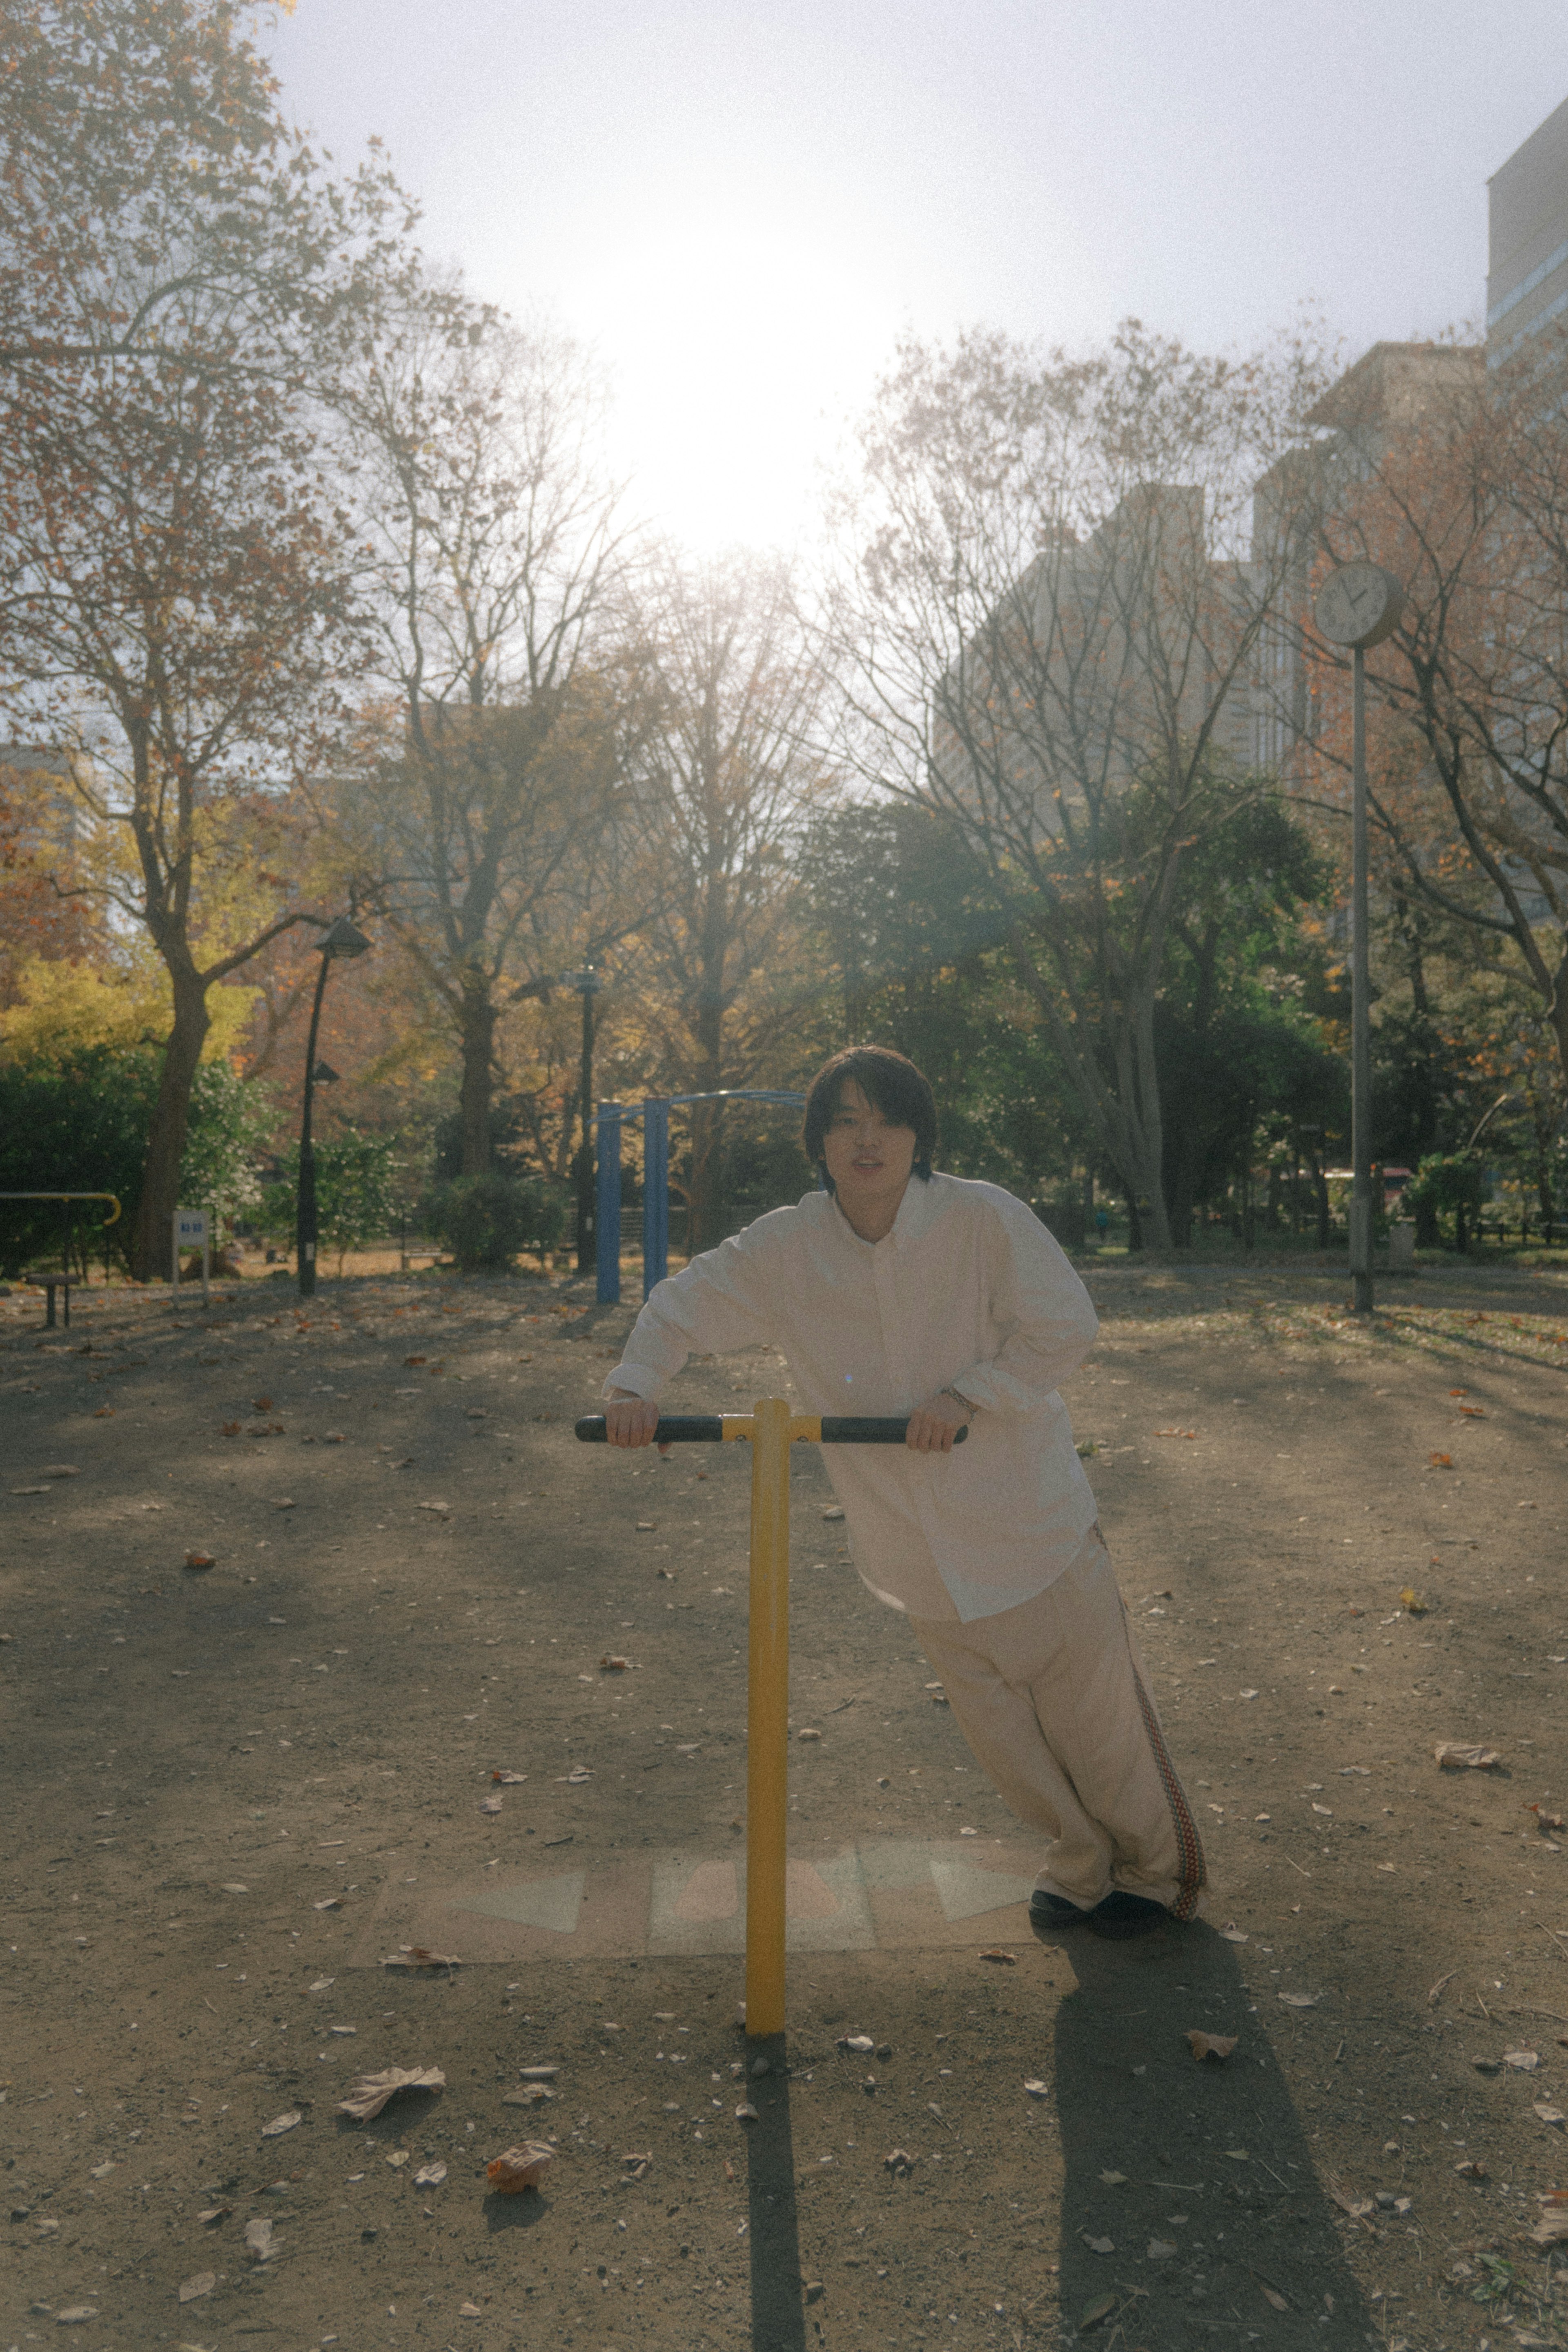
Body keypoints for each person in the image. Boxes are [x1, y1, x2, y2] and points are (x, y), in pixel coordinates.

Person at [600, 1045, 1204, 1937]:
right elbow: (686, 1302)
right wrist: (635, 1385)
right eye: (844, 1121)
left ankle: (1156, 1878)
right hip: (916, 1551)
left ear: (920, 1134)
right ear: (819, 1142)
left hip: (1027, 1523)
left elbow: (1066, 1325)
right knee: (1006, 1742)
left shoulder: (982, 1222)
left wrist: (970, 1395)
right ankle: (1079, 1869)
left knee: (1099, 1728)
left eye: (885, 1119)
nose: (866, 1139)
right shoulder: (786, 1246)